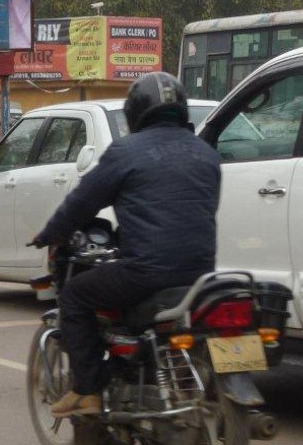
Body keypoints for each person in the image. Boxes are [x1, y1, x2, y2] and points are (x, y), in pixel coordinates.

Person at [31, 72, 221, 417]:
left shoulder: (126, 151)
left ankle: (87, 391)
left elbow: (82, 202)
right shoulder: (206, 153)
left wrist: (49, 235)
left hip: (146, 273)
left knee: (74, 295)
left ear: (135, 113)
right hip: (201, 275)